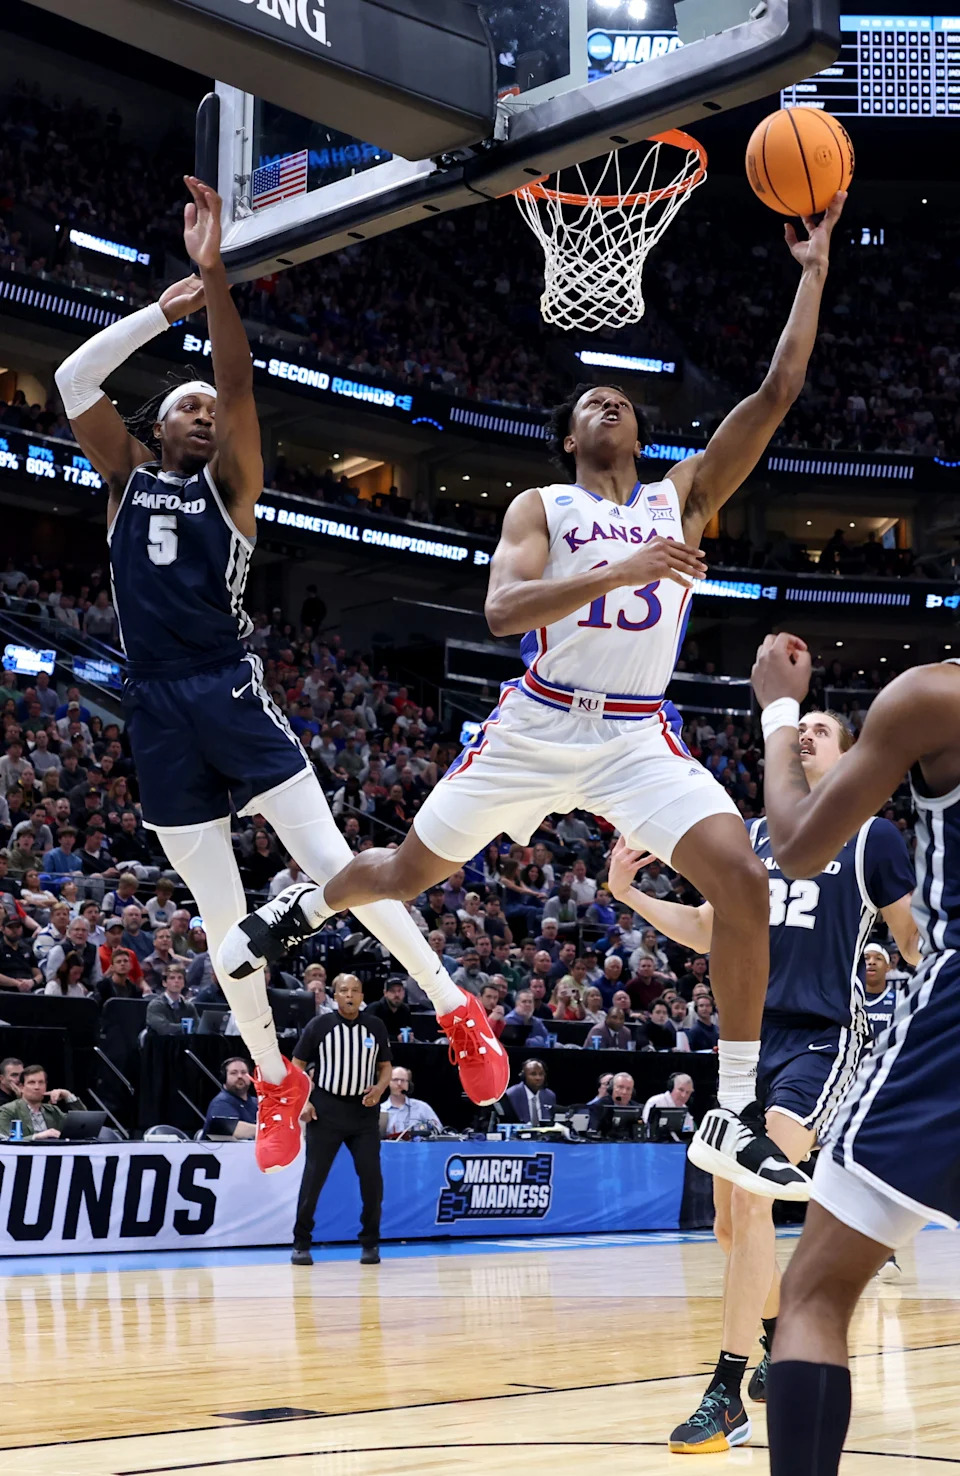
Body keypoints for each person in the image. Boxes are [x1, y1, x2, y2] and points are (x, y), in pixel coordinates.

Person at [224, 200, 851, 1200]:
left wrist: (813, 273)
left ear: (641, 430)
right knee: (400, 873)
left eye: (622, 398)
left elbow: (777, 391)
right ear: (568, 440)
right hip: (536, 722)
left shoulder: (679, 497)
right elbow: (506, 611)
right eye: (590, 402)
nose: (609, 403)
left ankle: (730, 1112)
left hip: (639, 738)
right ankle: (300, 903)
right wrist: (620, 571)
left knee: (741, 878)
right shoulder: (543, 508)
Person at [56, 176, 505, 1173]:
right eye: (189, 403)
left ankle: (455, 1006)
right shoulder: (125, 479)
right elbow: (74, 381)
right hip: (155, 710)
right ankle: (272, 1078)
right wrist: (156, 310)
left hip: (224, 686)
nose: (208, 410)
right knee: (223, 922)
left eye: (213, 406)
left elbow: (244, 382)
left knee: (336, 861)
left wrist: (214, 283)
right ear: (156, 426)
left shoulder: (235, 489)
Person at [610, 697, 919, 1457]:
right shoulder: (748, 838)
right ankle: (780, 1336)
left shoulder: (871, 836)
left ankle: (726, 1393)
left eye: (819, 730)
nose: (804, 734)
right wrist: (627, 895)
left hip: (823, 1041)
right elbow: (711, 931)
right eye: (798, 725)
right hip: (746, 1043)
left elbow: (915, 941)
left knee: (749, 1199)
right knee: (728, 1224)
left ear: (846, 759)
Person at [739, 636, 960, 1476]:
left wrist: (778, 709)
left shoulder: (930, 699)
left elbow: (796, 842)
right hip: (776, 1024)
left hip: (920, 1032)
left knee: (813, 1295)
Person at [290, 974, 391, 1265]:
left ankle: (370, 1242)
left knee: (372, 1180)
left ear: (362, 996)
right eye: (344, 990)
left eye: (355, 990)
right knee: (313, 1179)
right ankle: (301, 1242)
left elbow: (386, 1067)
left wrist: (380, 1088)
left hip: (363, 1112)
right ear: (335, 995)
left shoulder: (375, 1026)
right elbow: (296, 1066)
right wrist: (304, 1101)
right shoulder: (319, 1025)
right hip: (326, 1110)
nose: (349, 995)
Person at [0, 1064, 78, 1140]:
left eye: (41, 1082)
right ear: (21, 1087)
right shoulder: (8, 1111)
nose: (37, 1087)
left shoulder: (53, 1111)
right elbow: (5, 1140)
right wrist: (36, 1137)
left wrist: (68, 1095)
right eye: (31, 1082)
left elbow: (81, 1126)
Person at [202, 1056, 257, 1138]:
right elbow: (233, 1129)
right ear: (224, 1077)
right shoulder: (220, 1102)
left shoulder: (256, 1102)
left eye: (244, 1072)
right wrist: (267, 1130)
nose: (240, 1076)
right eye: (233, 1073)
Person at [380, 1065, 442, 1137]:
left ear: (409, 1084)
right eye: (395, 1080)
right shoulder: (381, 1110)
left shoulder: (422, 1107)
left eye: (403, 1080)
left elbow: (438, 1128)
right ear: (388, 1083)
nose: (399, 1083)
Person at [145, 964, 199, 1034]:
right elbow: (164, 1028)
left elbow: (198, 1027)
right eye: (172, 978)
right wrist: (187, 1027)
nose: (176, 981)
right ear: (164, 983)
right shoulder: (155, 1005)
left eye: (180, 978)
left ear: (184, 983)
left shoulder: (189, 1007)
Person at [503, 1059, 557, 1125]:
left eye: (541, 1074)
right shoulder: (512, 1094)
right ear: (524, 1076)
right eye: (533, 1074)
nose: (538, 1078)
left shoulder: (549, 1096)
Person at [862, 942, 897, 1040]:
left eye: (878, 958)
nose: (871, 962)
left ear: (888, 967)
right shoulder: (847, 1000)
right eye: (866, 958)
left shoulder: (899, 998)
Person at [0, 915, 43, 992]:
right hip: (4, 990)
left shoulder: (27, 947)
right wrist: (16, 983)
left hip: (28, 989)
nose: (15, 930)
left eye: (18, 926)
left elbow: (38, 975)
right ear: (2, 929)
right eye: (11, 927)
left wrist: (32, 982)